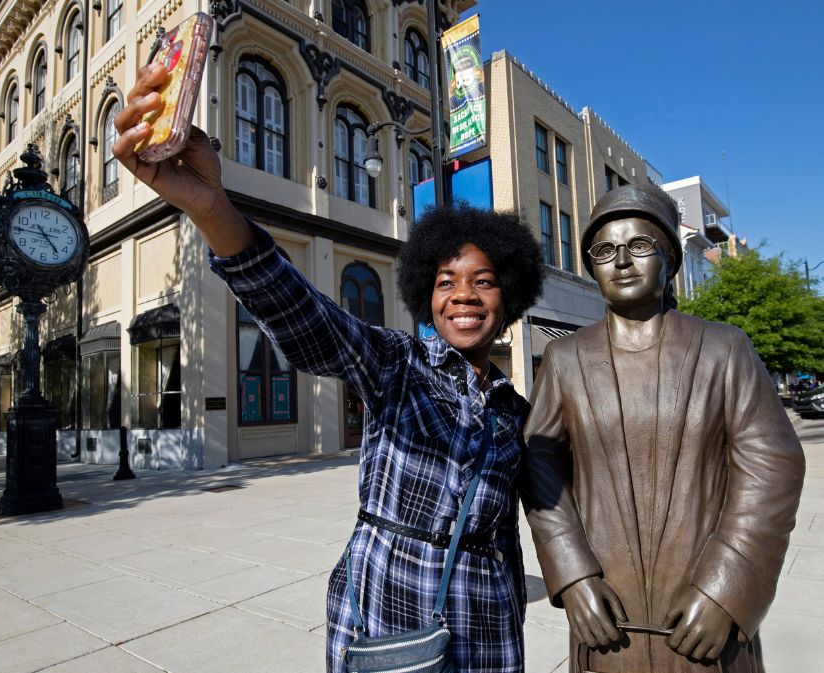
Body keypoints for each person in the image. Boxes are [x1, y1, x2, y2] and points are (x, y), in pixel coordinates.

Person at [114, 63, 546, 673]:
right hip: (389, 618)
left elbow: (516, 531)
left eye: (484, 282)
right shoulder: (397, 364)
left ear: (510, 300)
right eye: (447, 282)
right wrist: (213, 209)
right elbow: (309, 323)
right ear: (427, 296)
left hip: (486, 626)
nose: (465, 296)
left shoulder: (515, 413)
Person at [522, 183, 805, 672]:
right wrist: (572, 576)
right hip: (608, 621)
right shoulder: (565, 359)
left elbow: (773, 469)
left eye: (638, 246)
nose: (622, 261)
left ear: (670, 260)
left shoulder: (725, 350)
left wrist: (725, 589)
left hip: (701, 626)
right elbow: (539, 464)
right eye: (605, 250)